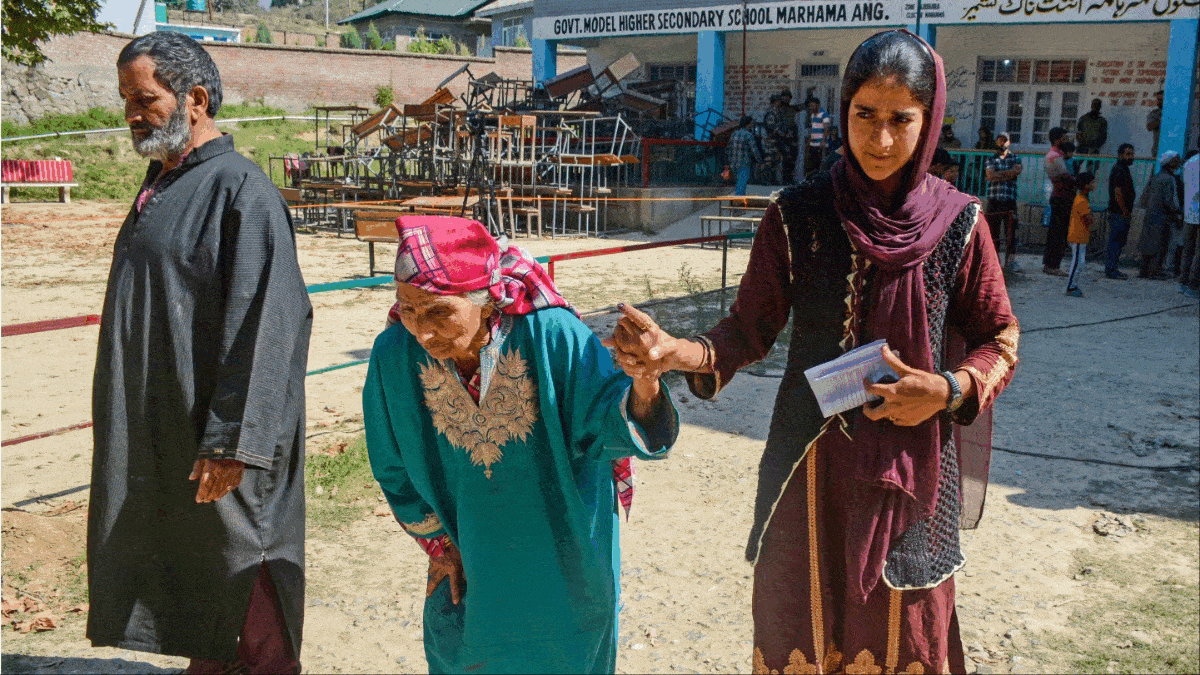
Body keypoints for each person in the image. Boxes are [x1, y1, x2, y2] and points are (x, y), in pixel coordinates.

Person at [607, 29, 1018, 673]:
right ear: (843, 107)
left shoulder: (959, 223)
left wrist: (946, 391)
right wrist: (677, 351)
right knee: (798, 624)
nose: (880, 140)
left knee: (905, 637)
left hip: (911, 470)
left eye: (901, 119)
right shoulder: (798, 215)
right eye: (864, 115)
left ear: (930, 120)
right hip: (808, 462)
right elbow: (746, 330)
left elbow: (1001, 338)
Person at [362, 216, 678, 674]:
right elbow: (390, 463)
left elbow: (612, 424)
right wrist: (438, 545)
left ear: (488, 302)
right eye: (408, 309)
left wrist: (645, 378)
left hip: (565, 563)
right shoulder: (393, 355)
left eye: (438, 312)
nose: (422, 333)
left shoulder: (553, 337)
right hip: (472, 561)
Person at [89, 32, 311, 675]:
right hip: (172, 431)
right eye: (126, 99)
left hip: (228, 447)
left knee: (250, 589)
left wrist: (234, 442)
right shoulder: (165, 183)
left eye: (145, 98)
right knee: (197, 592)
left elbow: (271, 319)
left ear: (196, 97)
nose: (132, 112)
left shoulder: (240, 189)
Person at [1139, 151, 1184, 279]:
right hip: (1162, 216)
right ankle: (1154, 272)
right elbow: (1169, 201)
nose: (1179, 163)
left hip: (1151, 214)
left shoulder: (1156, 177)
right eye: (1176, 160)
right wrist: (1178, 213)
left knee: (1148, 244)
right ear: (1170, 162)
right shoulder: (1168, 179)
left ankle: (1144, 271)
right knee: (1159, 245)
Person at [985, 132, 1023, 272]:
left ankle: (1010, 261)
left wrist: (998, 175)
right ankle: (993, 262)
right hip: (994, 199)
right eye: (1000, 140)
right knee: (992, 232)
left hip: (1009, 200)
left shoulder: (1015, 158)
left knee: (1011, 232)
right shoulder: (991, 158)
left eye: (1005, 141)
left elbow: (1016, 171)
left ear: (1009, 142)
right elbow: (990, 176)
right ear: (997, 142)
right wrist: (1008, 174)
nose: (1002, 143)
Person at [1043, 128, 1076, 276]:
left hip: (1061, 196)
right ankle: (1053, 264)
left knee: (1056, 232)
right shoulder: (1055, 156)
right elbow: (1065, 177)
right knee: (1058, 233)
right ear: (1057, 140)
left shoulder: (1058, 155)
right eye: (1064, 138)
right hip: (1061, 197)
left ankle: (1050, 263)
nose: (1066, 140)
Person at [1104, 143, 1137, 280]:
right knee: (1116, 241)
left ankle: (1112, 268)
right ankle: (1111, 269)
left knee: (1118, 241)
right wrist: (1124, 210)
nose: (1130, 157)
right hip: (1118, 212)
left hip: (1121, 212)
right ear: (1120, 155)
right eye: (1127, 154)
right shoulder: (1119, 170)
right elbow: (1118, 192)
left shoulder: (1123, 169)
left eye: (1131, 154)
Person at [1066, 171, 1096, 297]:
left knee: (1080, 262)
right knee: (1077, 262)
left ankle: (1073, 285)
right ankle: (1070, 287)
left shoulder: (1082, 199)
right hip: (1078, 236)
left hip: (1081, 236)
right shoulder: (1082, 201)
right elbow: (1088, 219)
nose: (1095, 184)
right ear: (1086, 185)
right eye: (1092, 182)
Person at [765, 92, 799, 184]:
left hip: (779, 141)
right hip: (772, 141)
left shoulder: (778, 112)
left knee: (781, 160)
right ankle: (770, 181)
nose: (780, 103)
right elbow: (773, 127)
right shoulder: (771, 113)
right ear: (775, 102)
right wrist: (785, 134)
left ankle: (783, 180)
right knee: (771, 161)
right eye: (778, 101)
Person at [1180, 150, 1200, 297]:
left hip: (1189, 212)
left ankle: (1183, 281)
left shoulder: (1189, 163)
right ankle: (1194, 285)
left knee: (1188, 250)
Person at [727, 115, 761, 196]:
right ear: (748, 124)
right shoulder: (748, 135)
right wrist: (759, 161)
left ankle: (738, 200)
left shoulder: (734, 134)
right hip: (744, 163)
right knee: (742, 184)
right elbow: (754, 150)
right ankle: (738, 202)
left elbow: (729, 149)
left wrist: (730, 161)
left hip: (734, 163)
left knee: (738, 183)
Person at [802, 95, 833, 177]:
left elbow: (826, 129)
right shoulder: (812, 115)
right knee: (812, 163)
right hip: (813, 143)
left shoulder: (824, 114)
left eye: (812, 105)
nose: (811, 107)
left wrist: (823, 141)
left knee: (820, 163)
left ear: (818, 105)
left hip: (820, 144)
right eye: (810, 106)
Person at [1146, 90, 1164, 158]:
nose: (1158, 102)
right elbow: (1149, 127)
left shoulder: (1174, 113)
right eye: (1158, 100)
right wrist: (1160, 120)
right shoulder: (1155, 113)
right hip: (1158, 149)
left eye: (1161, 100)